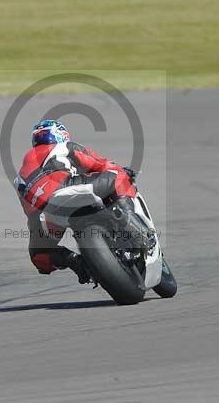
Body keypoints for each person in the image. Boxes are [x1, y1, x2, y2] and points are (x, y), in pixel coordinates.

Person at [13, 119, 138, 284]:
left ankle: (76, 262)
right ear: (61, 135)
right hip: (67, 186)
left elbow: (31, 214)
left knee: (39, 255)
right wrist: (122, 170)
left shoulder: (19, 178)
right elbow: (99, 163)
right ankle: (135, 230)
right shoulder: (63, 146)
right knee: (119, 175)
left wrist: (40, 238)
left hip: (48, 211)